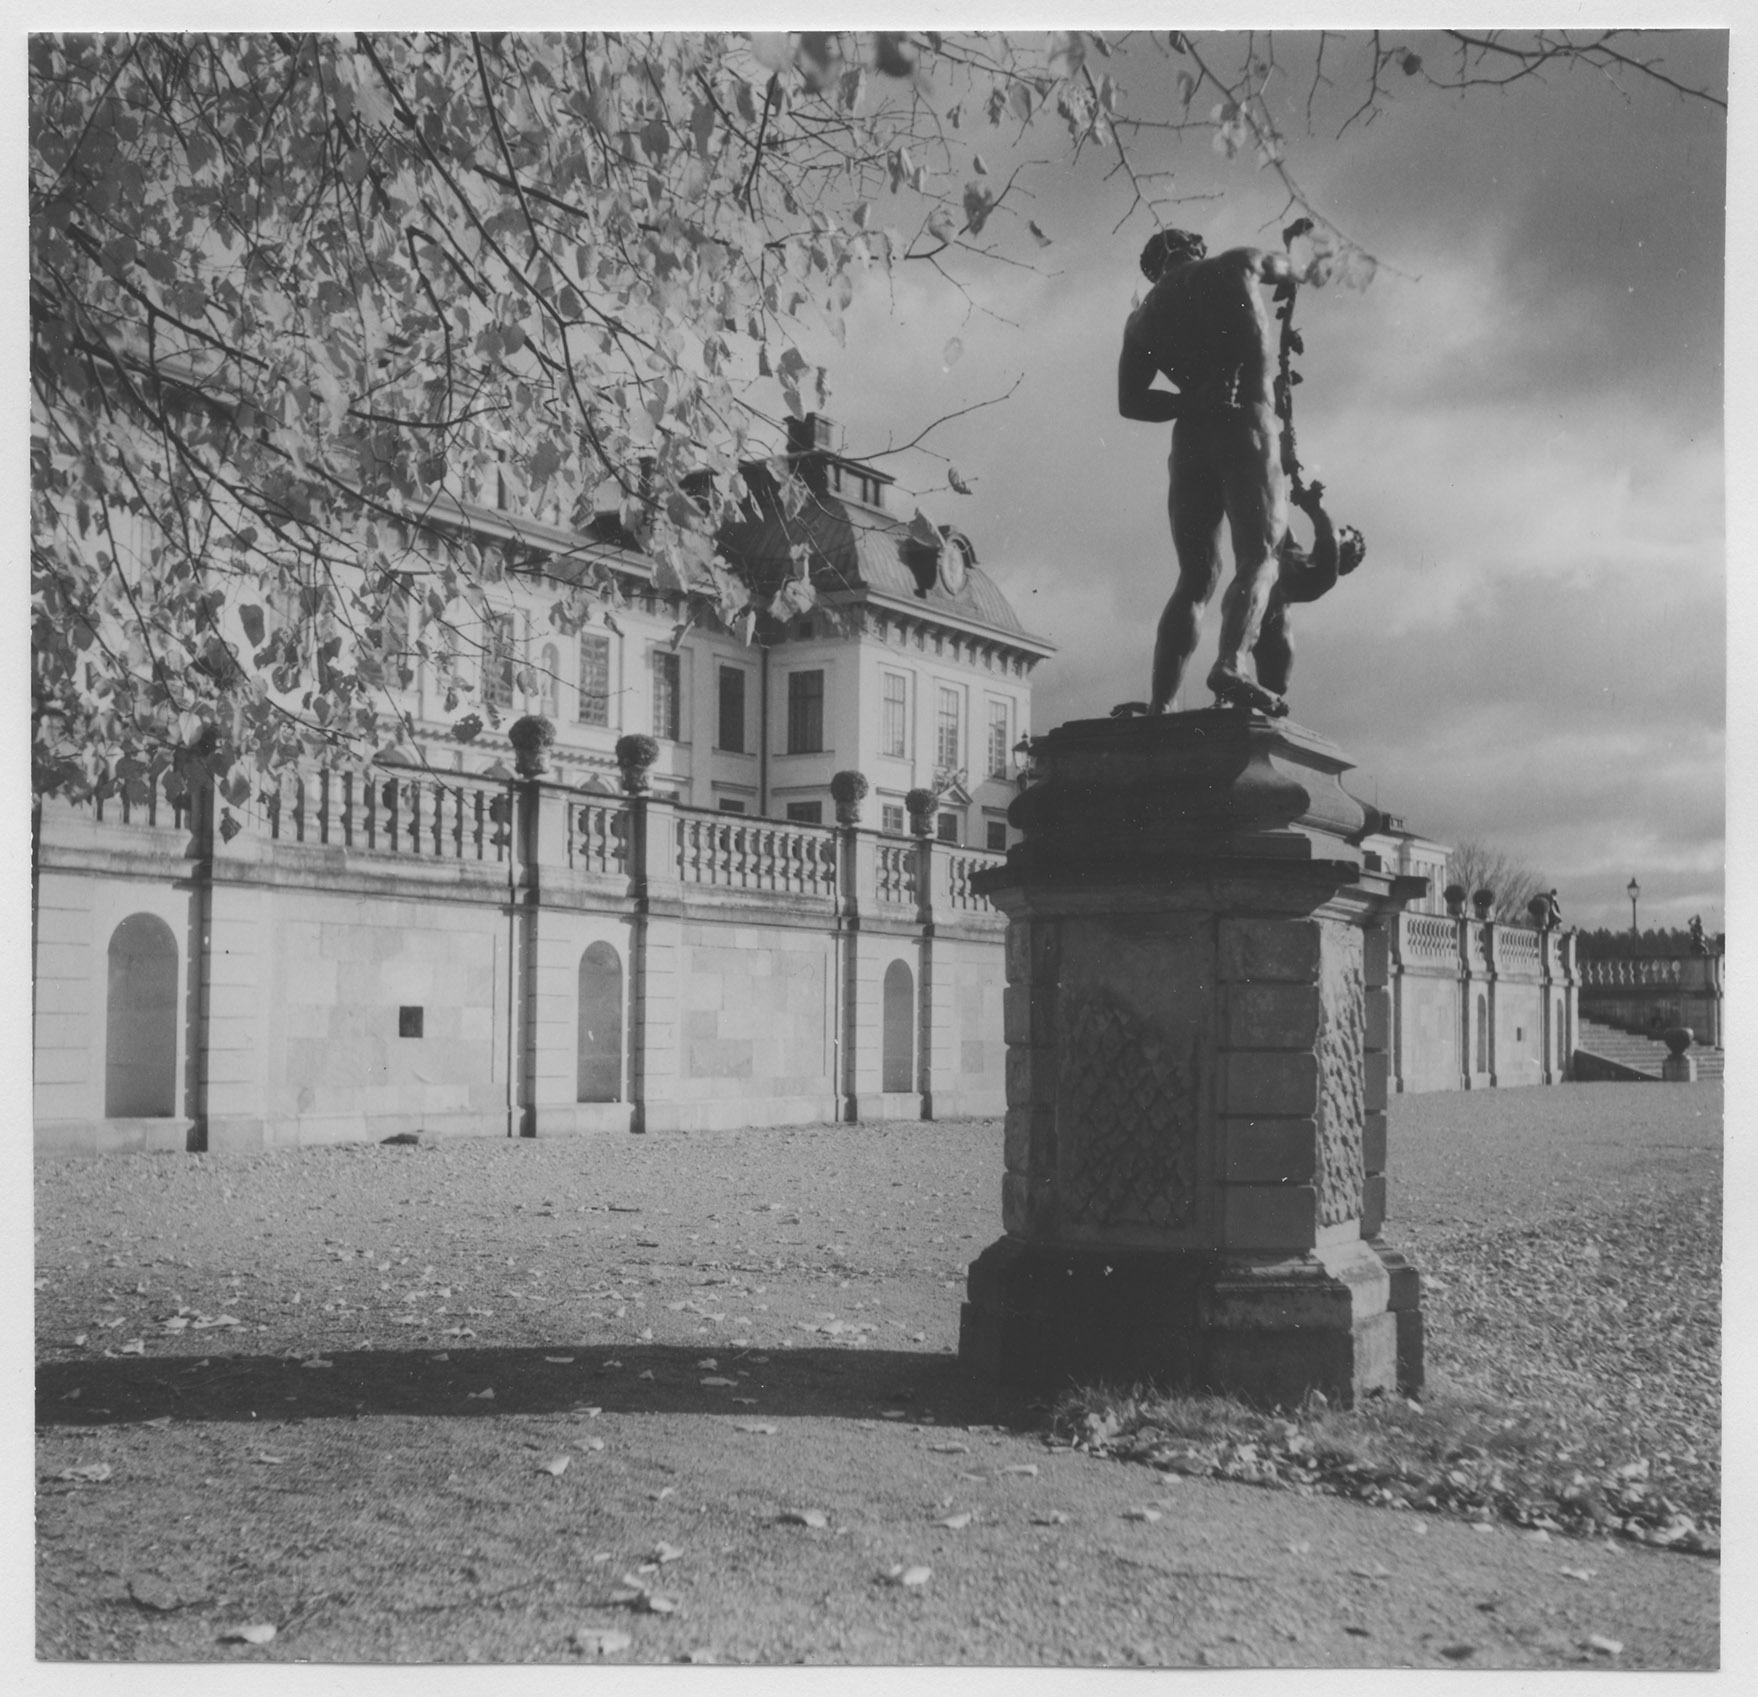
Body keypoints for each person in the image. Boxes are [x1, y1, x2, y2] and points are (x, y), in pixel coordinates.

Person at [1116, 227, 1302, 715]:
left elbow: (1130, 402)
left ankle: (1162, 705)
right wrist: (1297, 258)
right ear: (1195, 248)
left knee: (1195, 579)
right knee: (1261, 558)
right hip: (1247, 427)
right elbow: (1296, 268)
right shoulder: (1235, 264)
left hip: (1192, 440)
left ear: (1153, 269)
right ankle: (1231, 662)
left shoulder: (1140, 321)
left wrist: (1191, 400)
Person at [1251, 479, 1365, 697]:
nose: (1337, 532)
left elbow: (1328, 539)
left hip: (1274, 619)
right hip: (1261, 601)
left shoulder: (1325, 576)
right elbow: (1275, 517)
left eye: (1343, 535)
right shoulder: (1294, 549)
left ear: (1347, 553)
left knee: (1274, 686)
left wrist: (1315, 508)